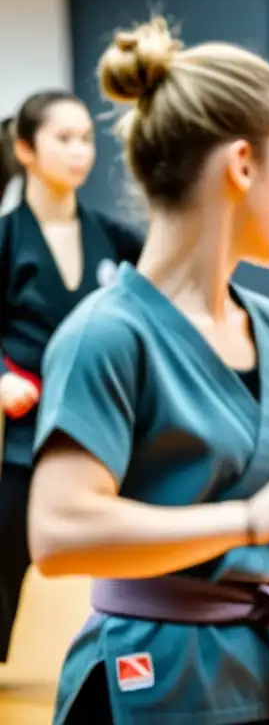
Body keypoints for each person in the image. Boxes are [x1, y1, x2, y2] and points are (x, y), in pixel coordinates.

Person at [26, 16, 269, 725]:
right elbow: (56, 533)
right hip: (152, 675)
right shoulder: (105, 334)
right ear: (240, 165)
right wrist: (248, 520)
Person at [0, 89, 144, 666]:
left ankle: (138, 655)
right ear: (26, 149)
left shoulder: (115, 237)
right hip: (25, 422)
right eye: (63, 138)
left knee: (135, 544)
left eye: (87, 138)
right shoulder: (7, 238)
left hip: (105, 419)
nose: (79, 151)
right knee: (6, 544)